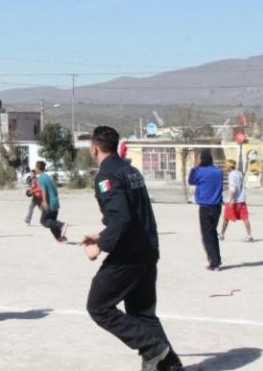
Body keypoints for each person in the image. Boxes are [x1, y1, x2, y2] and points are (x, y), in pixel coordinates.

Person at [83, 126, 183, 371]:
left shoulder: (107, 175)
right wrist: (102, 234)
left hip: (130, 255)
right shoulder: (130, 170)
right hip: (147, 248)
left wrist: (101, 245)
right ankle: (170, 366)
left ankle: (154, 348)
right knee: (142, 314)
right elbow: (130, 214)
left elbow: (121, 217)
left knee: (98, 306)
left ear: (95, 148)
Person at [188, 150, 224, 271]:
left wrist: (195, 168)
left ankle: (214, 262)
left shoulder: (200, 172)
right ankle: (217, 259)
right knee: (213, 232)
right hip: (217, 206)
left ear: (202, 160)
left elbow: (191, 180)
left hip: (206, 206)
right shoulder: (218, 172)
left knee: (207, 235)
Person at [219, 159, 253, 242]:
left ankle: (222, 234)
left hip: (234, 200)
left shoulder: (231, 175)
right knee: (245, 218)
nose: (224, 168)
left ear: (229, 167)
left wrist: (231, 199)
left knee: (226, 218)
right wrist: (227, 188)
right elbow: (237, 185)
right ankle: (249, 235)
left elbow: (233, 188)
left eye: (225, 166)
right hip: (242, 200)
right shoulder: (239, 173)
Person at [35, 160, 67, 242]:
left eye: (35, 167)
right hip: (55, 202)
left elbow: (44, 190)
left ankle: (61, 225)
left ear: (38, 168)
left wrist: (44, 201)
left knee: (44, 221)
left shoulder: (41, 177)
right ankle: (60, 238)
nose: (35, 169)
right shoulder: (47, 177)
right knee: (51, 223)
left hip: (49, 203)